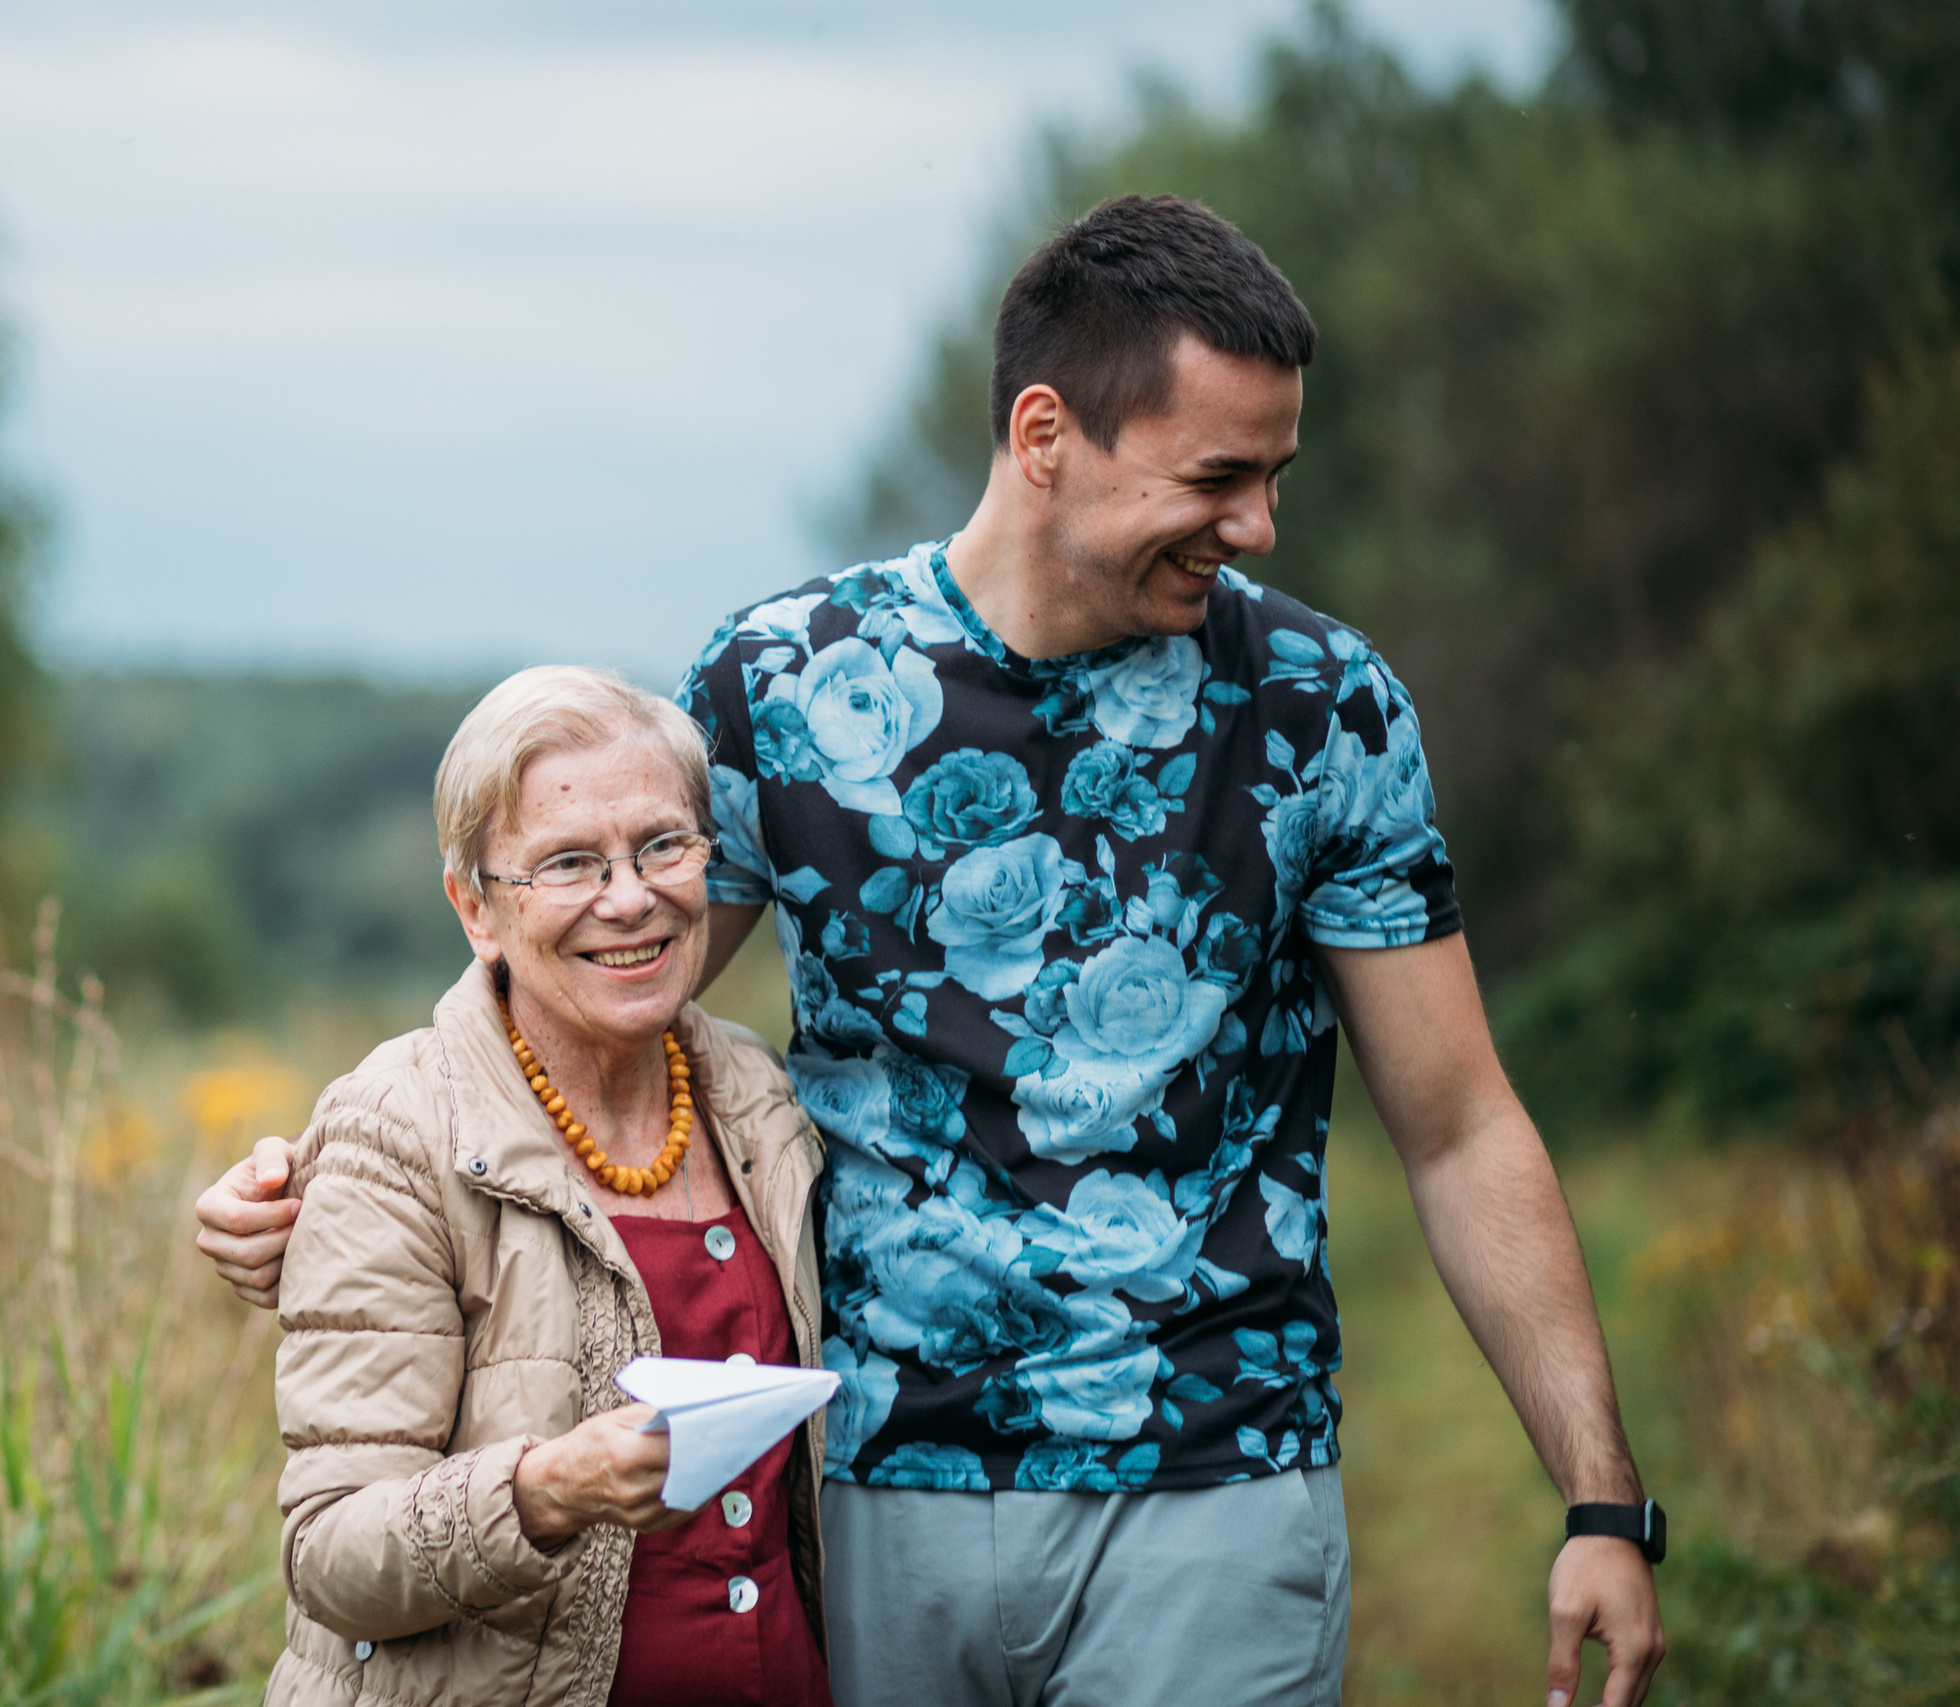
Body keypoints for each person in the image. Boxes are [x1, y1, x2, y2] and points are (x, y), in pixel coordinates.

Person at [204, 195, 1665, 1707]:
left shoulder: (1324, 706)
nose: (1256, 527)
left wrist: (1602, 1499)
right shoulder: (784, 684)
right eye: (1218, 478)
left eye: (1274, 478)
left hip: (1219, 1484)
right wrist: (334, 1175)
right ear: (1046, 435)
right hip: (868, 1493)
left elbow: (1461, 1124)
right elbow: (577, 998)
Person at [253, 665, 834, 1707]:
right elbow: (331, 1553)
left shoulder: (757, 1092)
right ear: (474, 908)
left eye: (663, 844)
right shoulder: (398, 1129)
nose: (630, 897)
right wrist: (542, 1491)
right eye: (567, 863)